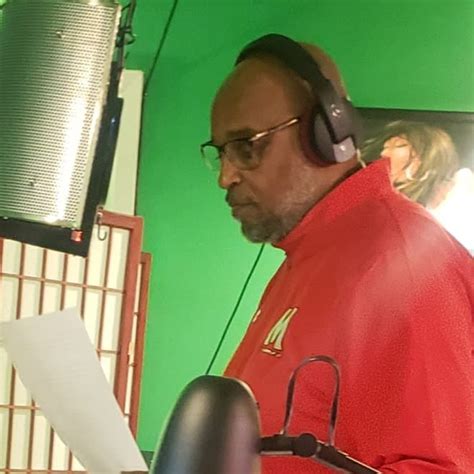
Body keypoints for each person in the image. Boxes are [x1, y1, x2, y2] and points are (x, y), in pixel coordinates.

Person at [202, 33, 474, 473]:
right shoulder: (306, 257)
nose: (226, 176)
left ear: (327, 133)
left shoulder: (408, 265)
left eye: (246, 146)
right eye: (221, 153)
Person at [361, 120, 459, 208]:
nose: (383, 153)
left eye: (399, 145)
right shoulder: (370, 198)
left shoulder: (449, 203)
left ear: (425, 155)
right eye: (385, 148)